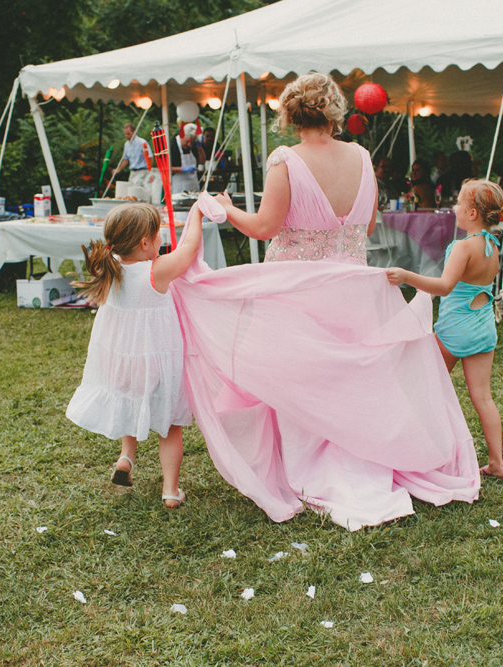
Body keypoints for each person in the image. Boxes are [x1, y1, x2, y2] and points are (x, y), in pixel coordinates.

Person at [167, 72, 479, 530]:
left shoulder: (285, 160)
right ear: (334, 111)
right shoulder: (362, 156)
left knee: (299, 378)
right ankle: (366, 453)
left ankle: (308, 465)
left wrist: (226, 205)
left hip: (298, 287)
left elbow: (265, 228)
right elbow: (369, 225)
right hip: (354, 284)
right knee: (349, 381)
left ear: (290, 115)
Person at [66, 201, 205, 509]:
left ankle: (126, 458)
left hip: (121, 361)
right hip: (155, 360)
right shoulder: (157, 270)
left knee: (131, 404)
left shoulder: (112, 266)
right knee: (169, 425)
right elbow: (190, 247)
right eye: (158, 235)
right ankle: (170, 490)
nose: (162, 241)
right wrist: (196, 213)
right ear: (145, 243)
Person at [386, 179, 503, 479]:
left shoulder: (463, 247)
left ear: (471, 214)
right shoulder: (491, 246)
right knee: (483, 397)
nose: (453, 207)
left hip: (455, 331)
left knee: (425, 389)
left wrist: (407, 276)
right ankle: (497, 462)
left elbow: (444, 287)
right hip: (483, 330)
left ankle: (419, 453)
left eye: (457, 203)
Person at [112, 122, 152, 188]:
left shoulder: (142, 143)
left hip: (142, 171)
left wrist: (149, 171)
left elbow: (150, 157)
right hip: (132, 172)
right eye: (125, 134)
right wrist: (118, 169)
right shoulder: (127, 144)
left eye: (128, 134)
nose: (126, 136)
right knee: (130, 189)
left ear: (134, 132)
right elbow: (126, 159)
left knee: (137, 189)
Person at [169, 123, 206, 194]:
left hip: (193, 185)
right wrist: (182, 169)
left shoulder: (193, 146)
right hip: (178, 187)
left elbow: (202, 162)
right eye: (187, 141)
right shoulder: (172, 145)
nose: (189, 144)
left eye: (192, 142)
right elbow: (164, 169)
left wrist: (200, 149)